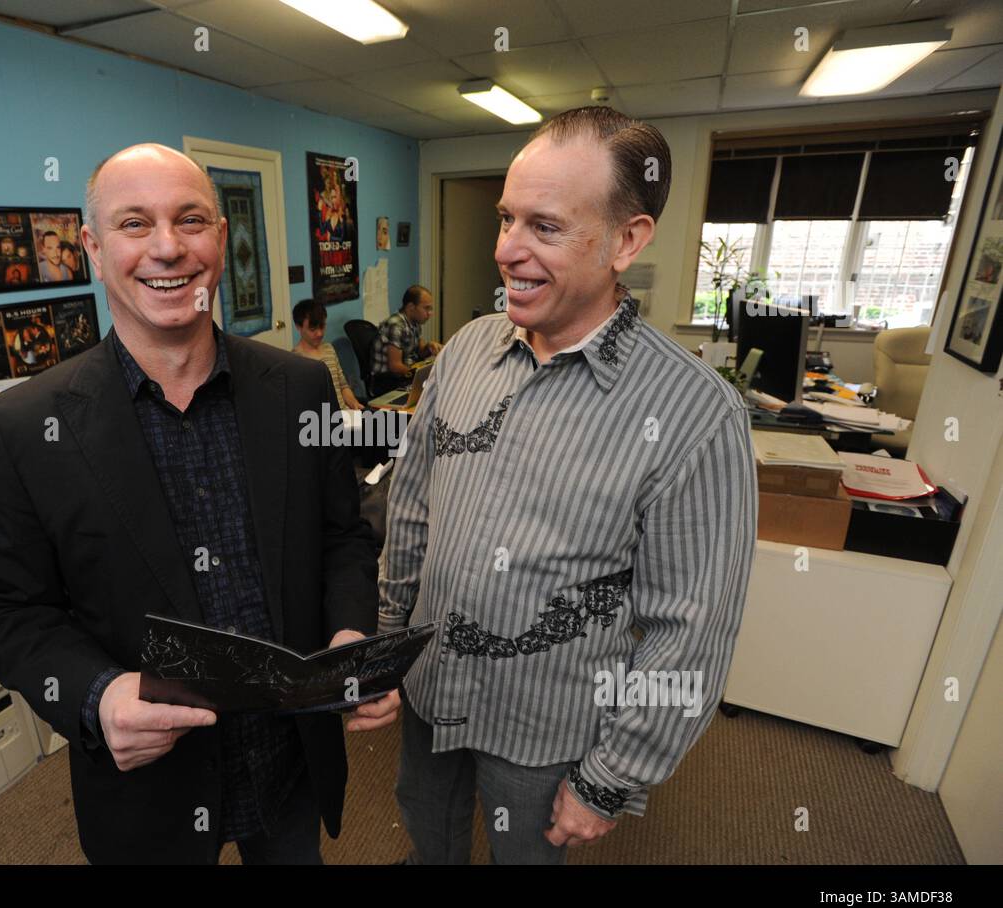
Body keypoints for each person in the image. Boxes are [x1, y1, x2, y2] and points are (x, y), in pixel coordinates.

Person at [0, 143, 393, 865]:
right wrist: (97, 695)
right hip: (148, 789)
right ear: (95, 250)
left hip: (289, 758)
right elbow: (9, 613)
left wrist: (350, 632)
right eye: (136, 224)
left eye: (190, 219)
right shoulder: (25, 426)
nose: (168, 247)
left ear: (221, 241)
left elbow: (342, 537)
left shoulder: (298, 389)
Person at [380, 106, 758, 864]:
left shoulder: (694, 414)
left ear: (627, 240)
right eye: (505, 218)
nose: (506, 250)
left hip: (543, 733)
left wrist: (611, 779)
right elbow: (413, 509)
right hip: (429, 693)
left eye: (544, 227)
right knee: (429, 846)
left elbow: (692, 630)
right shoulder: (463, 350)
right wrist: (386, 649)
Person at [292, 299, 362, 412]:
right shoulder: (296, 360)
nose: (319, 333)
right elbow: (303, 403)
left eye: (322, 326)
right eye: (312, 329)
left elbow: (343, 386)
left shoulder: (329, 348)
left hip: (344, 416)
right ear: (298, 327)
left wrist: (354, 403)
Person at [370, 285, 440, 396]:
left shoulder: (414, 323)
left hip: (404, 377)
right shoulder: (395, 325)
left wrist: (429, 347)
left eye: (430, 309)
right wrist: (422, 374)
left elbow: (420, 352)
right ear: (411, 307)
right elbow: (395, 366)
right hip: (388, 382)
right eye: (426, 308)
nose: (430, 313)